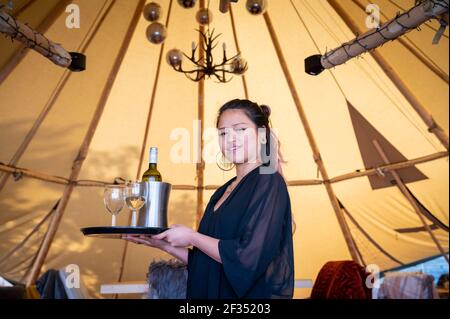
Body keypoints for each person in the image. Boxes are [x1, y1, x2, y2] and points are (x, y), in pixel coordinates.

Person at [123, 99, 294, 299]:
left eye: (240, 130)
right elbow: (206, 264)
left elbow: (246, 258)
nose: (230, 139)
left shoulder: (269, 181)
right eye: (223, 133)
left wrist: (192, 236)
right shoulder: (222, 192)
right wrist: (164, 244)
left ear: (262, 135)